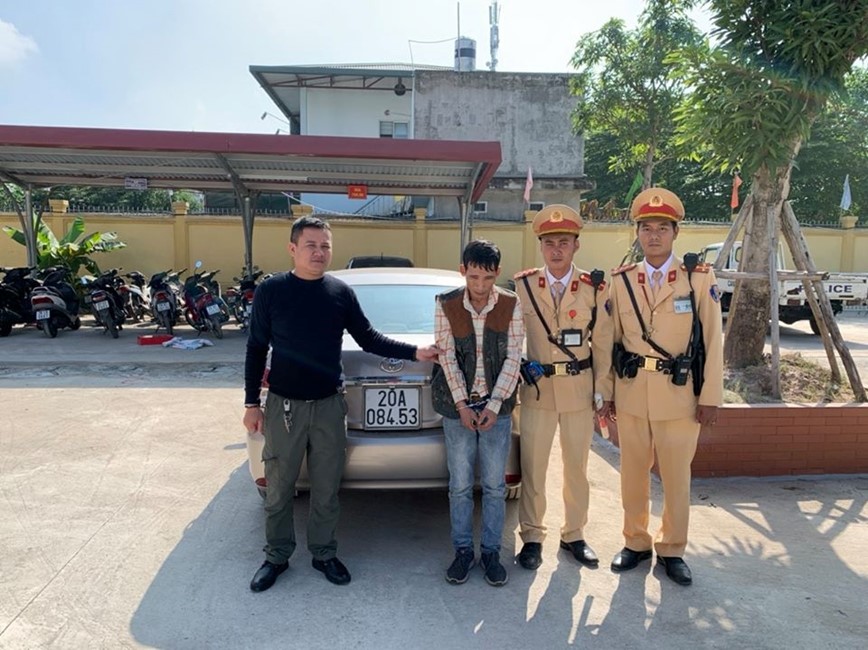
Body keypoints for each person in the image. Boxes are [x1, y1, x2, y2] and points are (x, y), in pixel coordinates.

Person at [243, 216, 438, 593]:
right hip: (285, 406)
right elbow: (256, 349)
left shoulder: (339, 292)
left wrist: (415, 350)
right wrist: (252, 402)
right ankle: (277, 555)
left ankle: (323, 553)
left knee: (327, 486)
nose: (319, 252)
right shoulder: (272, 291)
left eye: (325, 246)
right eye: (311, 245)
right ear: (293, 249)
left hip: (330, 405)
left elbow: (368, 338)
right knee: (280, 486)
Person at [598, 187, 723, 586]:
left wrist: (711, 396)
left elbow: (713, 340)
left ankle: (672, 548)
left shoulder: (698, 279)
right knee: (632, 473)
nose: (653, 236)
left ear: (675, 233)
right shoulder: (621, 281)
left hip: (680, 395)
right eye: (646, 228)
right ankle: (635, 542)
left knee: (675, 476)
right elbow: (607, 339)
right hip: (633, 393)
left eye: (662, 229)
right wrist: (607, 392)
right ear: (637, 233)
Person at [513, 204, 612, 571]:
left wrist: (603, 389)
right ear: (541, 246)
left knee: (577, 468)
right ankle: (533, 537)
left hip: (577, 389)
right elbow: (513, 338)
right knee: (533, 467)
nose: (557, 249)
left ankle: (574, 535)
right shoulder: (522, 285)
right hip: (537, 391)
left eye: (564, 242)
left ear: (576, 246)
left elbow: (602, 342)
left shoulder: (592, 287)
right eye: (550, 242)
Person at [431, 239, 524, 587]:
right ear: (463, 272)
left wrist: (495, 404)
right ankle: (462, 552)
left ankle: (491, 553)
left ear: (497, 273)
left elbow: (514, 358)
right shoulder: (445, 304)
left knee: (495, 487)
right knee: (458, 486)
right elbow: (447, 357)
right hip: (458, 410)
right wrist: (461, 405)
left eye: (487, 278)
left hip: (496, 410)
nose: (481, 287)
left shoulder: (512, 304)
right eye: (473, 278)